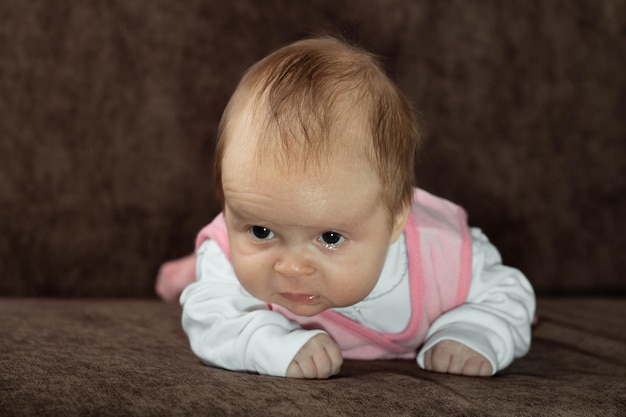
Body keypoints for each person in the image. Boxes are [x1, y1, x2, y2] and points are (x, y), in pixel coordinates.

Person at [156, 36, 535, 379]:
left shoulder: (445, 256)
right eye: (261, 231)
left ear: (395, 220)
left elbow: (511, 297)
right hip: (225, 256)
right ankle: (195, 267)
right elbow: (210, 321)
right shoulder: (231, 248)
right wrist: (267, 342)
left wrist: (473, 330)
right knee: (214, 271)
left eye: (330, 237)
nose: (291, 267)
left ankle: (195, 265)